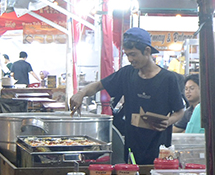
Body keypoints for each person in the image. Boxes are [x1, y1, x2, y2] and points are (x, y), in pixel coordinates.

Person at [70, 27, 185, 165]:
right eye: (127, 55)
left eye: (133, 54)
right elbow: (98, 85)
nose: (130, 59)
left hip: (158, 149)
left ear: (147, 51)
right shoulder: (127, 74)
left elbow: (180, 111)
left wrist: (168, 121)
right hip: (131, 147)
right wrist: (81, 93)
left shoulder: (168, 79)